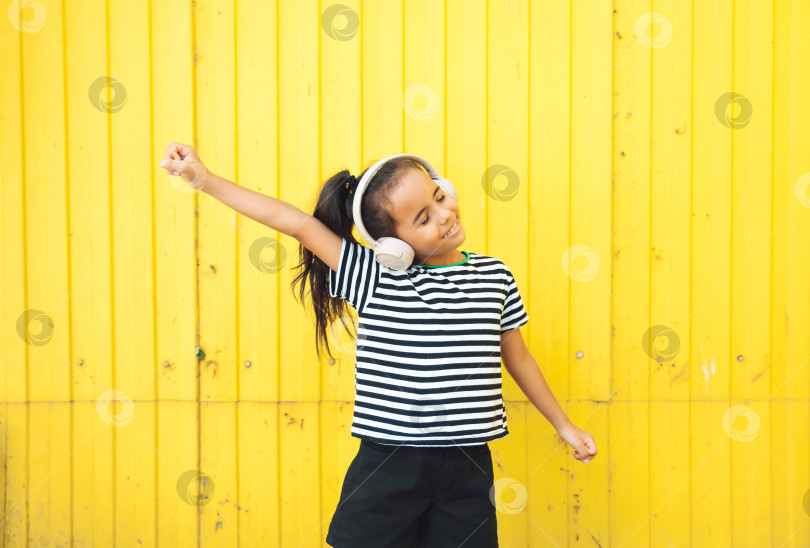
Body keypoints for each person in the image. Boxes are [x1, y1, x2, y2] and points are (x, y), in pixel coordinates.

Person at [159, 143, 598, 548]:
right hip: (391, 462)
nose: (443, 215)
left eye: (439, 197)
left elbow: (517, 356)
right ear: (391, 246)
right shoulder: (373, 276)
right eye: (422, 219)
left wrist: (564, 425)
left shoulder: (494, 277)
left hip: (468, 463)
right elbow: (294, 222)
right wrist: (204, 179)